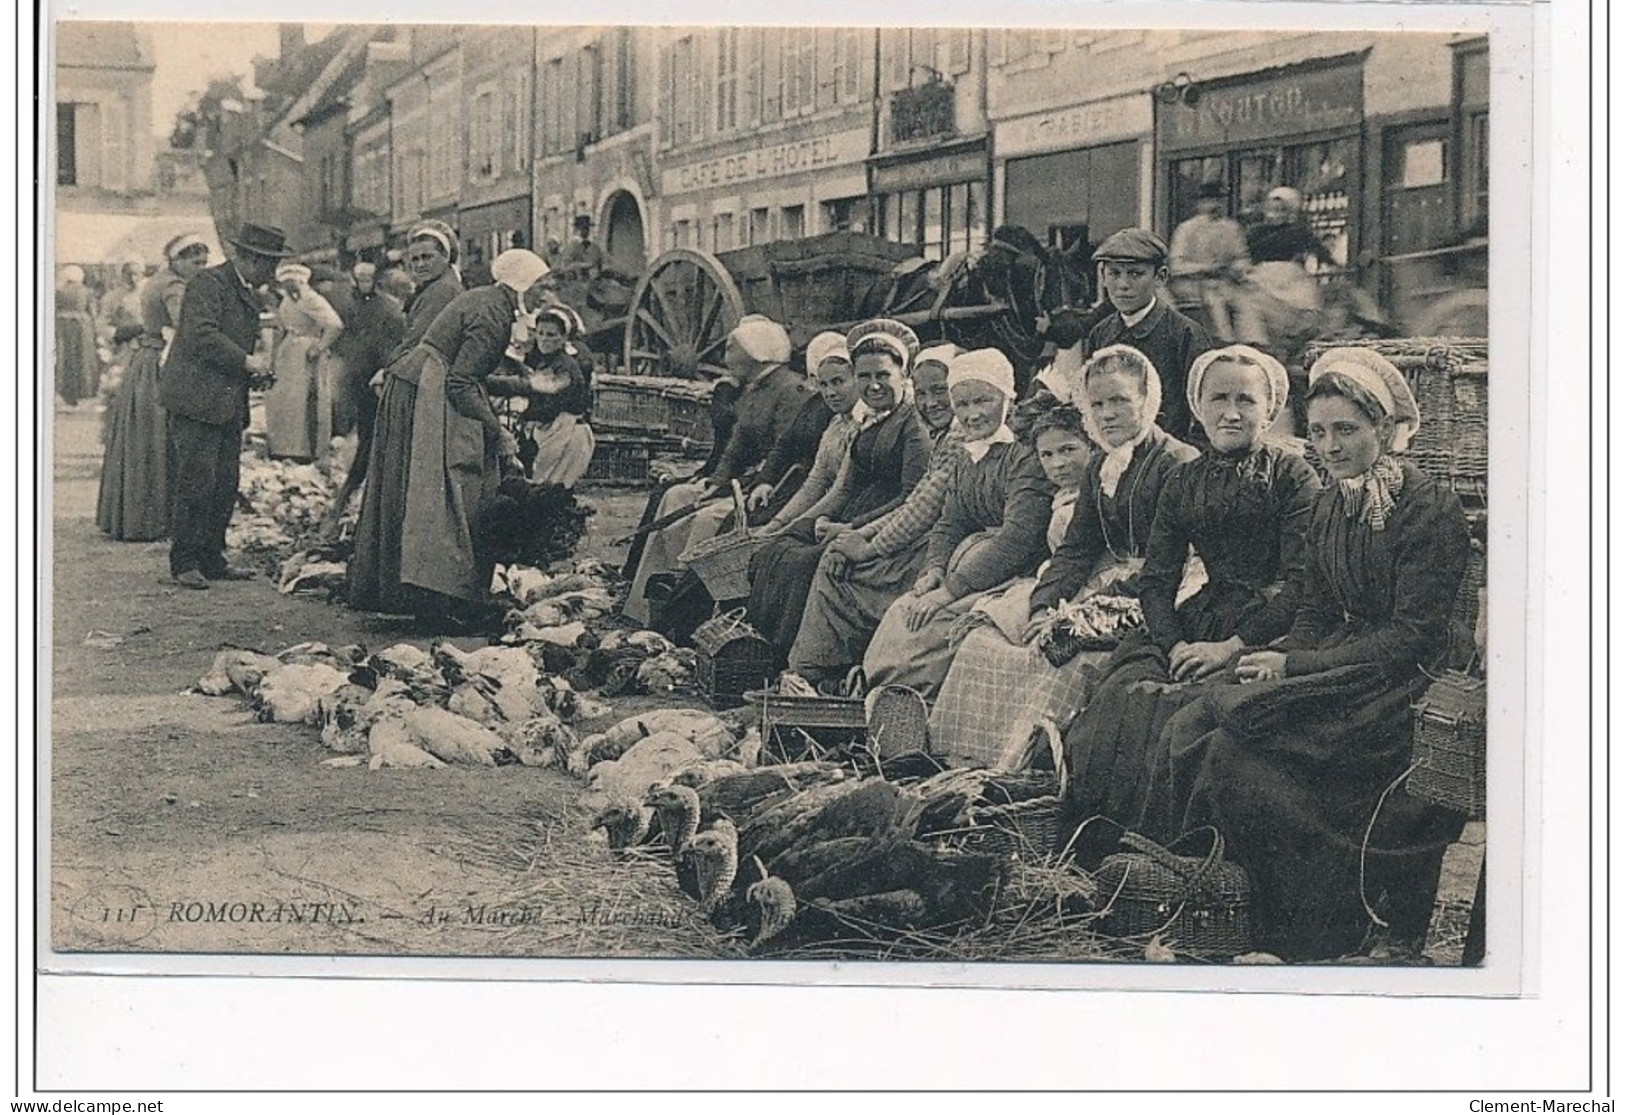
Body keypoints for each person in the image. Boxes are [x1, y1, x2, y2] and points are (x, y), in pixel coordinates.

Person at [1147, 347, 1470, 961]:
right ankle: (1212, 909)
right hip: (1339, 660)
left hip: (1398, 683)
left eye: (1347, 430)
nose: (1330, 446)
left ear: (1384, 428)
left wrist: (1292, 668)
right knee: (1197, 718)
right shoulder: (1331, 501)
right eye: (1318, 432)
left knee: (1238, 754)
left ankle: (1297, 931)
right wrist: (1274, 659)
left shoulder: (1426, 507)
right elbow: (1316, 610)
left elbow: (1413, 637)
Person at [1057, 344, 1322, 856]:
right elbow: (1158, 580)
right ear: (1198, 407)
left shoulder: (1292, 476)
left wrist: (1230, 647)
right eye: (1218, 398)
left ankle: (1186, 863)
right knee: (1116, 704)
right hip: (1199, 617)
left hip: (1267, 626)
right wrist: (1173, 641)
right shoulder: (1183, 480)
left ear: (1269, 409)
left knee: (1186, 723)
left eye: (1246, 400)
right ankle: (1115, 862)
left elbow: (1302, 584)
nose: (1231, 412)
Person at [930, 346, 1200, 769]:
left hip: (1165, 589)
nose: (1107, 414)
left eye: (1120, 401)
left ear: (1147, 400)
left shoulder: (1177, 464)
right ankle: (963, 761)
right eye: (1098, 404)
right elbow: (1077, 548)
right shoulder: (1101, 466)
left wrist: (1079, 610)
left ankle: (1023, 764)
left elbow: (1170, 564)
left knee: (1066, 659)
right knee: (984, 641)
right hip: (1104, 580)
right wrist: (1045, 604)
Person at [348, 248, 549, 624]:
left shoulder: (486, 300)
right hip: (428, 390)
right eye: (541, 285)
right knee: (447, 485)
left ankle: (428, 591)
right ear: (520, 285)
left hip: (420, 381)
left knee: (426, 488)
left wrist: (520, 384)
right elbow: (461, 381)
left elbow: (468, 371)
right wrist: (497, 432)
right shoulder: (493, 313)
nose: (546, 294)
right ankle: (439, 597)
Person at [746, 324, 934, 664]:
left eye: (882, 374)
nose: (873, 385)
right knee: (773, 549)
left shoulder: (913, 427)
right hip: (850, 513)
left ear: (903, 374)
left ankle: (791, 658)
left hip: (886, 525)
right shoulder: (869, 420)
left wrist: (848, 530)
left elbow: (912, 499)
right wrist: (791, 525)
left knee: (803, 564)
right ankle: (755, 648)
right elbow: (841, 487)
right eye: (864, 376)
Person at [784, 346, 962, 686]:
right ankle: (815, 672)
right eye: (923, 393)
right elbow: (918, 502)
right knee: (832, 558)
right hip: (928, 539)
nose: (931, 402)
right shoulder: (944, 437)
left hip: (939, 549)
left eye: (940, 391)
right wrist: (860, 536)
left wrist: (868, 546)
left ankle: (820, 673)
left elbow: (921, 507)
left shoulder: (952, 439)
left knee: (842, 568)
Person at [622, 314, 811, 627]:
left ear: (754, 352)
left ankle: (685, 612)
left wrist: (747, 483)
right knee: (677, 496)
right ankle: (649, 599)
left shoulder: (790, 391)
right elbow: (735, 445)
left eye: (731, 350)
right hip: (741, 480)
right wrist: (716, 480)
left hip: (766, 485)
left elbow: (784, 452)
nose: (726, 358)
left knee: (706, 518)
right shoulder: (753, 390)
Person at [158, 222, 289, 589]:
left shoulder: (243, 289)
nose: (273, 272)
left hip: (225, 400)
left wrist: (253, 374)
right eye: (269, 263)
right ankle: (185, 561)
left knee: (224, 483)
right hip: (196, 399)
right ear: (247, 258)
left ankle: (211, 556)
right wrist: (248, 363)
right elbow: (201, 336)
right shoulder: (208, 283)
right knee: (195, 481)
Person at [96, 233, 210, 542]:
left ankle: (136, 514)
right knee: (156, 437)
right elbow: (187, 327)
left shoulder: (159, 280)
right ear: (177, 260)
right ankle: (153, 519)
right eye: (195, 262)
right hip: (157, 362)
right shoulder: (173, 286)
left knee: (143, 437)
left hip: (144, 359)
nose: (200, 268)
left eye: (204, 263)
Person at [1083, 228, 1214, 444]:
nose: (1123, 285)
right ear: (1103, 277)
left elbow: (1204, 413)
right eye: (1114, 274)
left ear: (1160, 277)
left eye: (1135, 274)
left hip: (1170, 457)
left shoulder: (1185, 334)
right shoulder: (1101, 333)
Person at [317, 262, 407, 539]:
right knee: (370, 446)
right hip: (369, 383)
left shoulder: (388, 311)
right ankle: (348, 509)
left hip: (379, 382)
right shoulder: (362, 307)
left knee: (371, 449)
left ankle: (346, 508)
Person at [1237, 186, 1337, 360]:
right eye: (1272, 209)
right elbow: (1243, 254)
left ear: (1288, 212)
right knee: (1256, 305)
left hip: (1290, 275)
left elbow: (1319, 251)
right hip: (1262, 275)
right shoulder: (1255, 232)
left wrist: (1330, 263)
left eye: (1281, 210)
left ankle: (1291, 346)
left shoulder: (1297, 232)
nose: (1275, 214)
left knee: (1305, 306)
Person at [263, 262, 344, 462]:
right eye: (286, 283)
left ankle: (306, 450)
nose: (290, 286)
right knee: (285, 400)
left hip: (306, 353)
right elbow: (282, 326)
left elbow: (334, 324)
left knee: (304, 401)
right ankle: (286, 447)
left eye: (293, 282)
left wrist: (319, 346)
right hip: (289, 352)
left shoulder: (311, 299)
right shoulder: (289, 301)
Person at [507, 304, 594, 487]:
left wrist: (526, 415)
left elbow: (553, 402)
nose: (544, 339)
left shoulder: (566, 368)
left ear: (563, 338)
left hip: (566, 432)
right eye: (541, 333)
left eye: (551, 335)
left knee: (550, 488)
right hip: (550, 430)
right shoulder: (543, 362)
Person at [1168, 181, 1251, 341]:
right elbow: (1177, 265)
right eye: (1209, 200)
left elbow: (1241, 256)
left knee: (1246, 300)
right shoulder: (1186, 229)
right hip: (1193, 285)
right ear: (1200, 204)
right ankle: (1224, 342)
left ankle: (1251, 344)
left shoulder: (1231, 228)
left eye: (1219, 200)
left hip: (1225, 282)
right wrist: (1205, 268)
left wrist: (1239, 267)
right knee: (1215, 301)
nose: (1214, 205)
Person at [55, 265, 100, 407]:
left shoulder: (59, 291)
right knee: (83, 359)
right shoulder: (87, 292)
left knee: (66, 359)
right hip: (82, 327)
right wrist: (95, 331)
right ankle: (83, 390)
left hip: (63, 327)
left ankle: (66, 391)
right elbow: (93, 312)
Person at [558, 215, 606, 282]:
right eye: (583, 228)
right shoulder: (571, 247)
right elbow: (566, 265)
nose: (585, 231)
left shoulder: (594, 247)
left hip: (593, 283)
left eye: (587, 228)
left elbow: (600, 263)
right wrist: (584, 265)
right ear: (578, 229)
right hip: (575, 281)